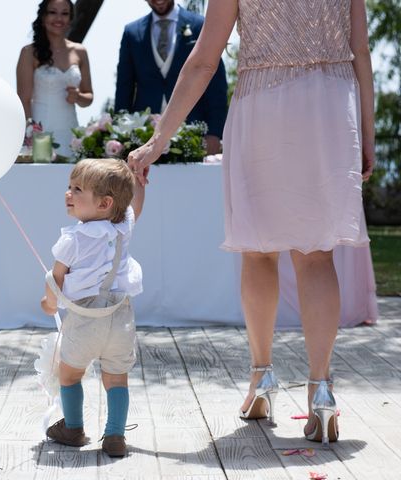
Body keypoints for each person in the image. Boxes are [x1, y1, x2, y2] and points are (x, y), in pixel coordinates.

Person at [128, 0, 375, 446]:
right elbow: (361, 50)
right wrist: (367, 130)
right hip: (331, 106)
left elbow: (204, 61)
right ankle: (321, 392)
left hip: (265, 102)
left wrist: (158, 138)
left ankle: (262, 378)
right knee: (317, 256)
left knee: (259, 252)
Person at [41, 158, 145, 457]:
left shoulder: (72, 239)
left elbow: (56, 278)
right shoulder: (123, 227)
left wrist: (49, 304)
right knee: (116, 378)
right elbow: (135, 204)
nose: (68, 194)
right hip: (120, 316)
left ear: (104, 203)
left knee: (69, 374)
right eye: (69, 187)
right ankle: (114, 435)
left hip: (86, 318)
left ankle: (73, 428)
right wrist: (137, 179)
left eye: (77, 189)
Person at [115, 0, 227, 155]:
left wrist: (215, 132)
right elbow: (123, 88)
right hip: (142, 135)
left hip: (195, 131)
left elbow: (216, 85)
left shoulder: (199, 25)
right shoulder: (131, 32)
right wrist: (119, 134)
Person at [16, 0, 94, 158]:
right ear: (43, 17)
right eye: (53, 12)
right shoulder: (29, 52)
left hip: (71, 129)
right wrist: (31, 134)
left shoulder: (80, 52)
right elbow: (23, 99)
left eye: (65, 13)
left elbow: (89, 97)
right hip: (41, 130)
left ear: (71, 19)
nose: (59, 18)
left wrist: (78, 96)